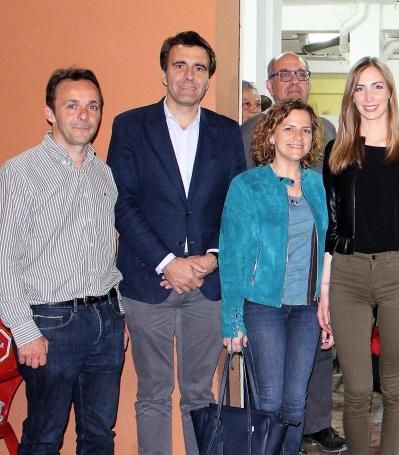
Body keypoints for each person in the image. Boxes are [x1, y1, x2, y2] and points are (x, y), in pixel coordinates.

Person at [106, 31, 246, 455]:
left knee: (199, 393)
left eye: (199, 68)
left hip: (208, 286)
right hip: (149, 283)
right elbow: (122, 201)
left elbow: (235, 206)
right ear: (164, 73)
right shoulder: (130, 126)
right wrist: (167, 261)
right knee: (152, 393)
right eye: (180, 66)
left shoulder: (227, 132)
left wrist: (213, 258)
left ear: (208, 78)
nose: (190, 75)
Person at [0, 68, 124, 454]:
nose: (84, 115)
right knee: (44, 435)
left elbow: (108, 247)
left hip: (105, 319)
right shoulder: (21, 173)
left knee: (99, 434)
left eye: (92, 106)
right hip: (50, 324)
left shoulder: (104, 174)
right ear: (50, 113)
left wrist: (117, 314)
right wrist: (24, 330)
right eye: (71, 105)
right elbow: (4, 259)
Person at [322, 57, 399, 455]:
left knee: (394, 386)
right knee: (355, 388)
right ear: (351, 95)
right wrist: (325, 289)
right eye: (360, 88)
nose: (369, 96)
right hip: (348, 275)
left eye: (377, 86)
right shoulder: (338, 151)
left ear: (390, 92)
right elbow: (334, 226)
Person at [241, 51, 344, 452]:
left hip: (315, 264)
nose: (294, 81)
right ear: (269, 85)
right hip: (265, 276)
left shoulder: (328, 130)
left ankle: (315, 424)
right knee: (269, 383)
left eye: (301, 74)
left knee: (315, 352)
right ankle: (271, 439)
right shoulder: (247, 130)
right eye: (284, 75)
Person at [219, 99, 332, 454]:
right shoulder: (247, 185)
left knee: (296, 403)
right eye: (289, 128)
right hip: (262, 306)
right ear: (270, 135)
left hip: (306, 310)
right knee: (269, 401)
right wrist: (232, 320)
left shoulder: (317, 186)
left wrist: (326, 307)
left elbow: (328, 248)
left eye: (306, 129)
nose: (298, 137)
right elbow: (233, 255)